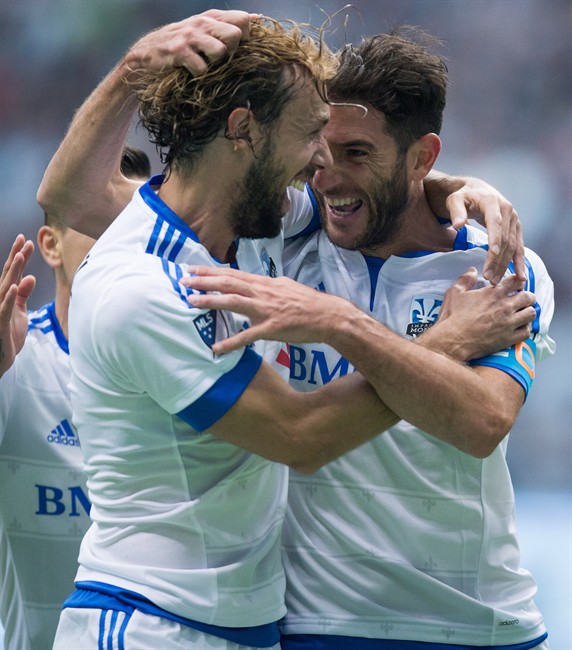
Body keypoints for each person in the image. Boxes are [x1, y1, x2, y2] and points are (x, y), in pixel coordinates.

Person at [32, 10, 538, 650]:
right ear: (244, 131)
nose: (322, 163)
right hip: (152, 620)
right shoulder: (143, 284)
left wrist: (437, 187)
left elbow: (481, 420)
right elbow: (300, 433)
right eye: (312, 135)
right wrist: (440, 344)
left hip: (255, 625)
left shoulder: (259, 229)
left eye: (343, 146)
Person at [181, 28, 555, 650]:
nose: (328, 177)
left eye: (358, 153)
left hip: (476, 625)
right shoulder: (282, 239)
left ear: (421, 157)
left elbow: (483, 419)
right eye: (321, 151)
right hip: (313, 623)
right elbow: (80, 201)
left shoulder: (496, 263)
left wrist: (340, 324)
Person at [0, 147, 150, 650]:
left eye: (134, 223)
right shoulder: (17, 361)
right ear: (50, 244)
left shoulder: (184, 364)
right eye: (97, 221)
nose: (121, 242)